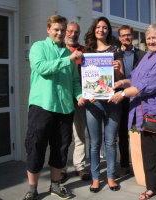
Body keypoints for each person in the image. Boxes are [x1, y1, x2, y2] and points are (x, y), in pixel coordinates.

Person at [109, 22, 156, 200]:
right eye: (148, 38)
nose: (151, 41)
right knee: (149, 154)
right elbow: (135, 77)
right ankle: (152, 187)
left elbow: (148, 85)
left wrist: (123, 94)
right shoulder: (147, 57)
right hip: (147, 113)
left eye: (154, 38)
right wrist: (121, 82)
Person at [23, 15, 85, 200]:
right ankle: (32, 189)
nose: (60, 33)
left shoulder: (68, 53)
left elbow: (74, 81)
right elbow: (41, 67)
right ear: (48, 29)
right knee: (36, 146)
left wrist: (79, 95)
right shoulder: (38, 48)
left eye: (62, 29)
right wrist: (69, 59)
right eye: (56, 29)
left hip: (65, 108)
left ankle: (56, 186)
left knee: (61, 148)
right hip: (42, 105)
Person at [84, 16, 124, 193]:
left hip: (112, 101)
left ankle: (110, 176)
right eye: (98, 27)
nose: (101, 30)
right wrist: (87, 93)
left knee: (110, 142)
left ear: (108, 30)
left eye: (105, 27)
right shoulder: (88, 50)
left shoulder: (115, 50)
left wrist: (116, 68)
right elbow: (84, 78)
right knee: (94, 143)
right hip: (93, 103)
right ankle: (95, 178)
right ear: (94, 29)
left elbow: (122, 77)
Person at [60, 21, 91, 183]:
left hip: (79, 100)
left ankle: (79, 166)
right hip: (63, 100)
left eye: (76, 32)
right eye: (70, 31)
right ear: (65, 32)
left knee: (79, 135)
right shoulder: (59, 50)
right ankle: (62, 168)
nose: (73, 35)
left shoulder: (84, 51)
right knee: (63, 137)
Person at [116, 25, 146, 177]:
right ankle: (124, 165)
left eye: (128, 35)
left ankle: (139, 163)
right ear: (119, 37)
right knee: (122, 133)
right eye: (123, 35)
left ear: (132, 36)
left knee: (136, 131)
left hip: (136, 97)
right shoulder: (114, 54)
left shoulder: (142, 55)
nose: (126, 38)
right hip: (120, 97)